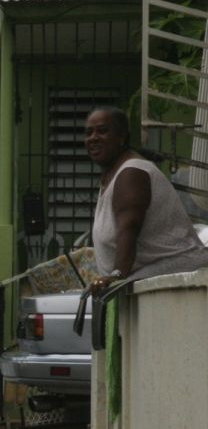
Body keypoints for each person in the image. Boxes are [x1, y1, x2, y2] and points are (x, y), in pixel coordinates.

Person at [85, 106, 208, 295]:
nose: (93, 137)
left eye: (102, 131)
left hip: (179, 287)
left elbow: (129, 227)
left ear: (122, 137)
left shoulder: (132, 172)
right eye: (89, 132)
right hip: (150, 286)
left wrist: (117, 275)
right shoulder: (113, 174)